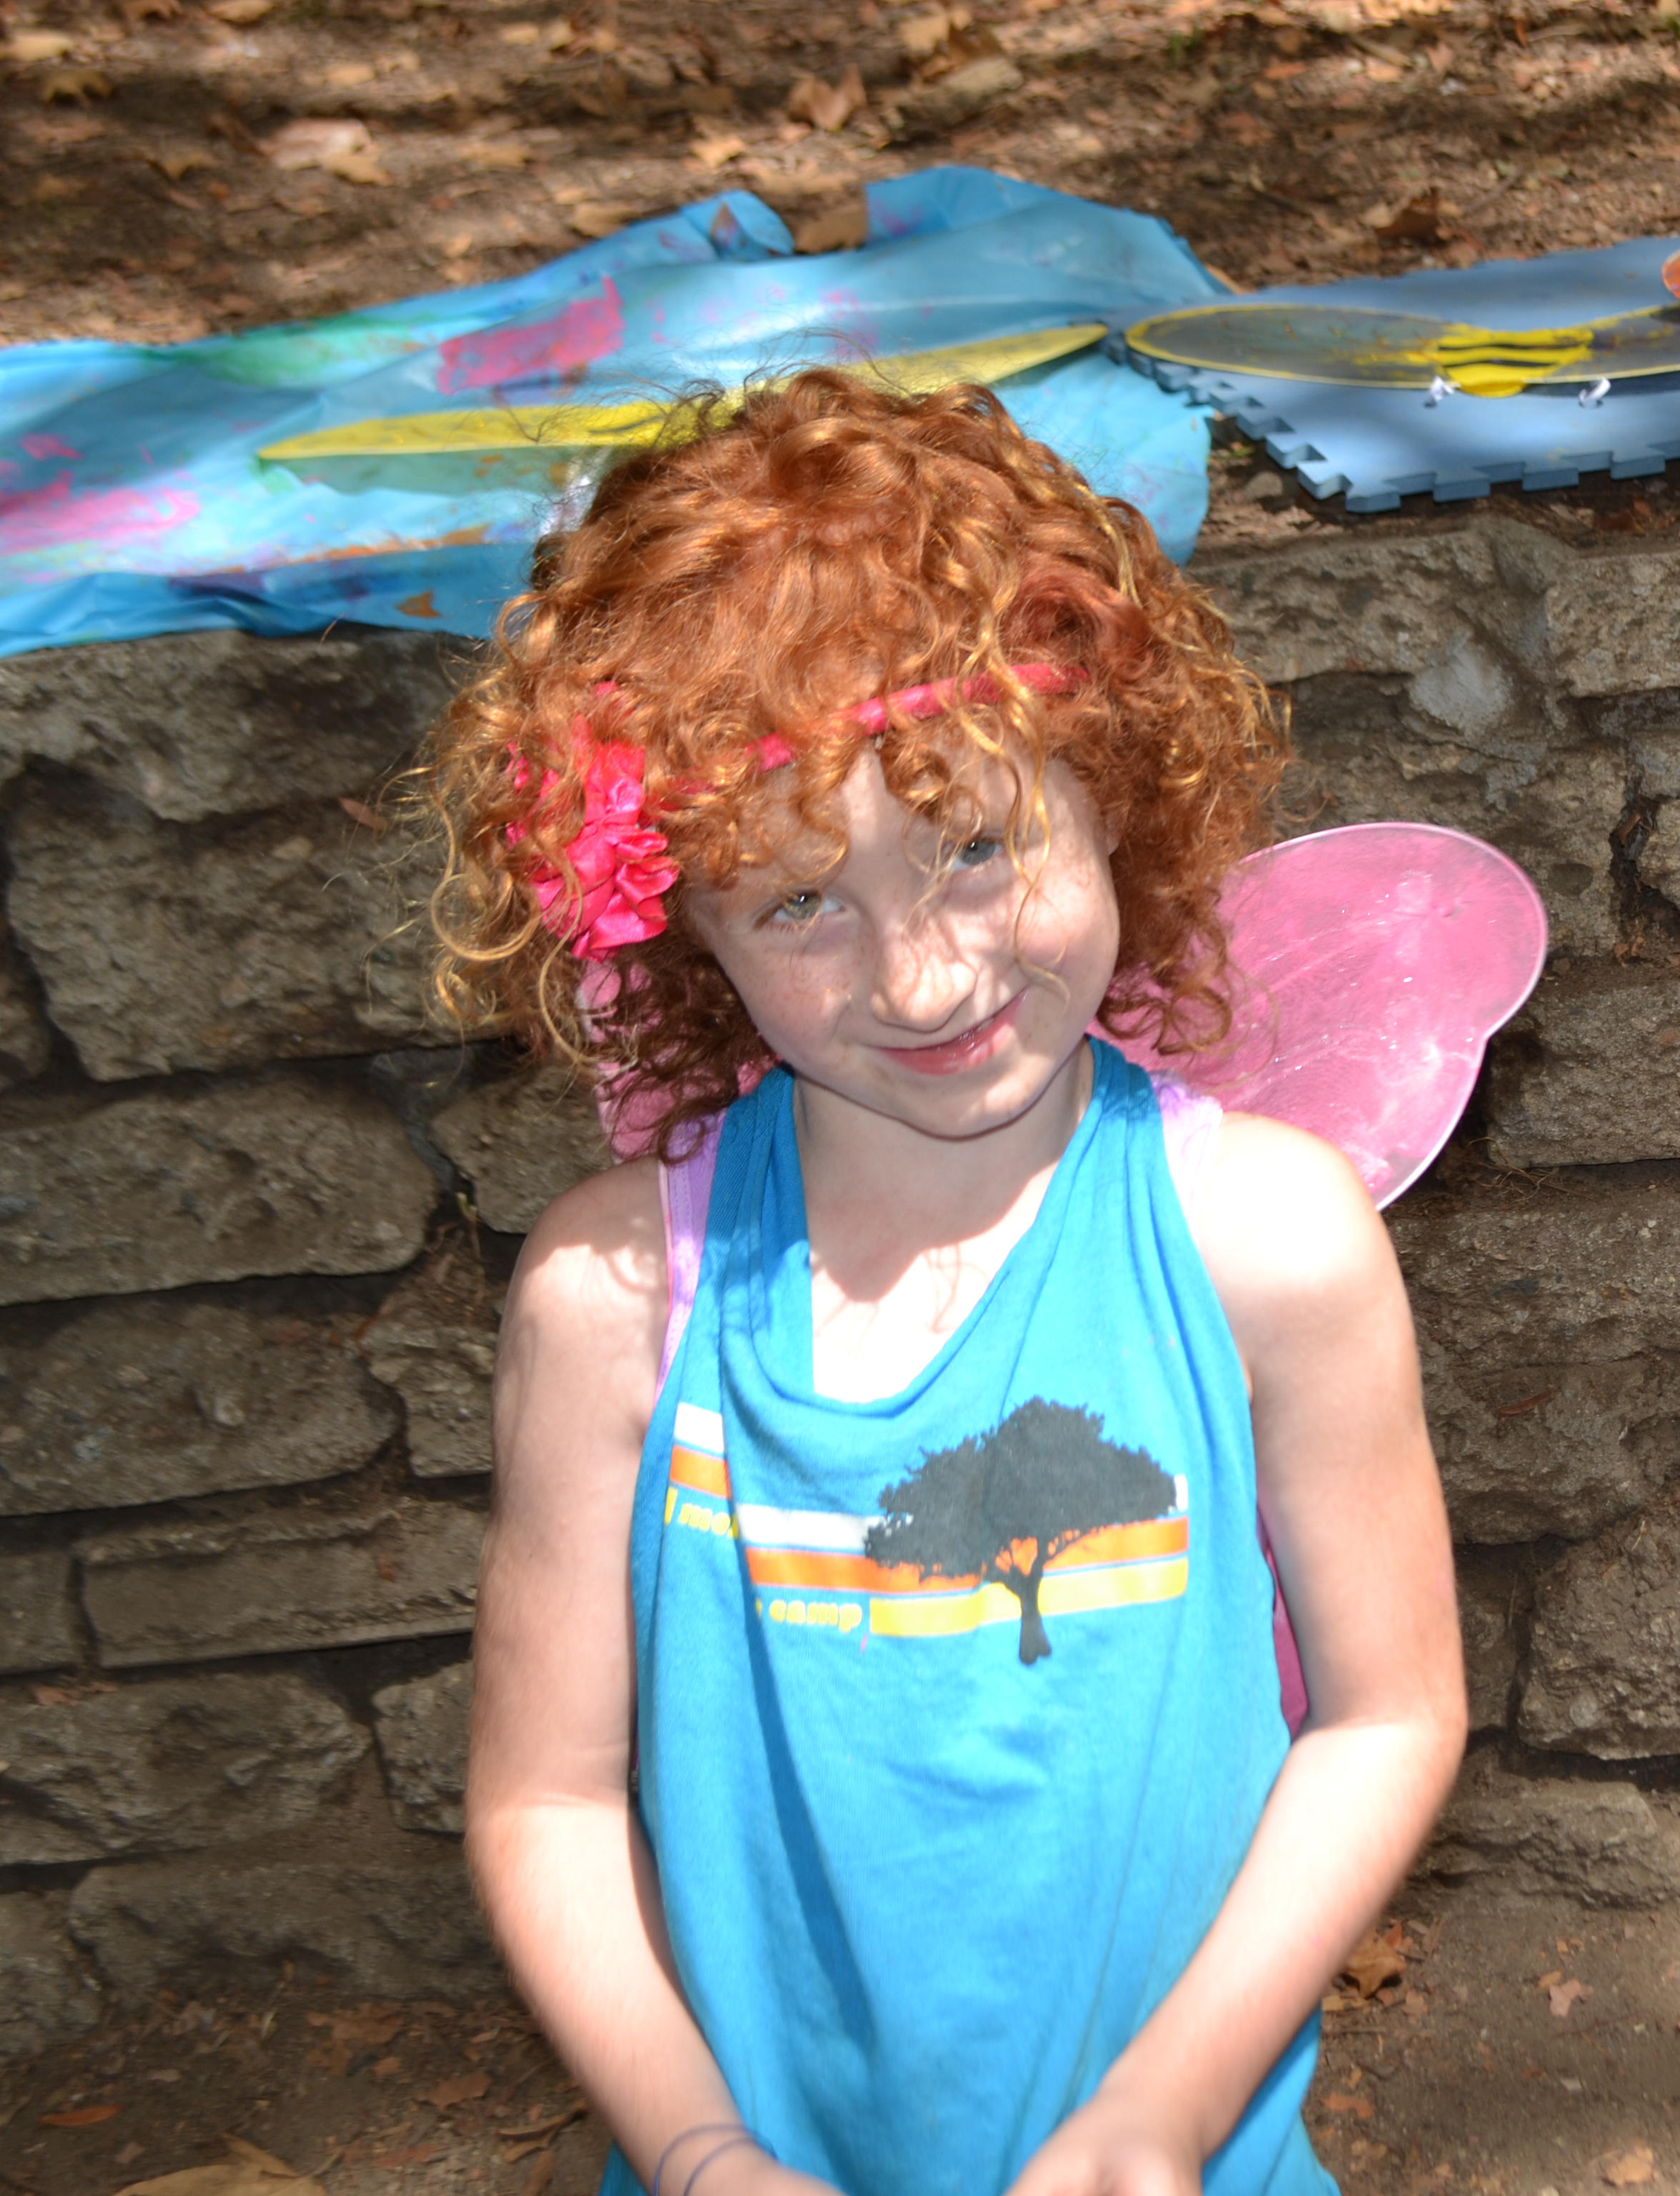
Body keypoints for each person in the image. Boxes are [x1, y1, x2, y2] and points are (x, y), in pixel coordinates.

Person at [430, 371, 1463, 2196]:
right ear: (685, 929)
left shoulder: (1269, 1249)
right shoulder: (615, 1302)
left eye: (977, 847)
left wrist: (1163, 2115)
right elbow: (545, 1799)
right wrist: (698, 2151)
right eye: (800, 902)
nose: (923, 978)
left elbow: (1390, 1715)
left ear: (1114, 788)